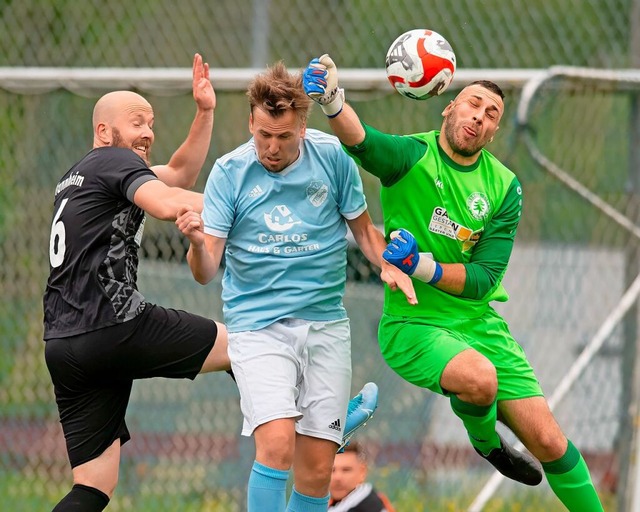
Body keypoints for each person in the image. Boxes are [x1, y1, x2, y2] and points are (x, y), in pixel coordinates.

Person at [302, 55, 604, 511]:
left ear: (493, 132)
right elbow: (361, 140)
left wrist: (420, 264)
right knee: (479, 378)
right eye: (472, 104)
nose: (479, 116)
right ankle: (488, 444)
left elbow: (483, 279)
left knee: (550, 440)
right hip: (414, 323)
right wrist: (330, 99)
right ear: (448, 107)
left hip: (477, 322)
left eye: (491, 114)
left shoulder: (504, 187)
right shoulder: (411, 157)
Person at [176, 60, 415, 512]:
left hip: (325, 324)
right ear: (250, 121)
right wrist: (193, 243)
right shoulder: (230, 173)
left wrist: (387, 263)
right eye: (263, 134)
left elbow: (364, 232)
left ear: (303, 126)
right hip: (257, 328)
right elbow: (206, 269)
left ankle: (331, 428)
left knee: (316, 472)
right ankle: (331, 423)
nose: (271, 147)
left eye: (283, 137)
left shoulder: (333, 158)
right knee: (278, 445)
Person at [42, 54, 233, 512]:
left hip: (64, 344)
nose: (147, 132)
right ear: (105, 131)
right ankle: (319, 424)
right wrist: (255, 204)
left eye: (151, 123)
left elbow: (178, 175)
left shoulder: (80, 174)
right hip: (112, 324)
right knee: (243, 345)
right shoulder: (112, 161)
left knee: (93, 487)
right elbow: (168, 202)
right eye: (136, 122)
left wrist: (205, 112)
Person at [329, 442, 395, 512]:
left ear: (362, 472)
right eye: (331, 470)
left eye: (346, 470)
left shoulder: (366, 501)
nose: (337, 477)